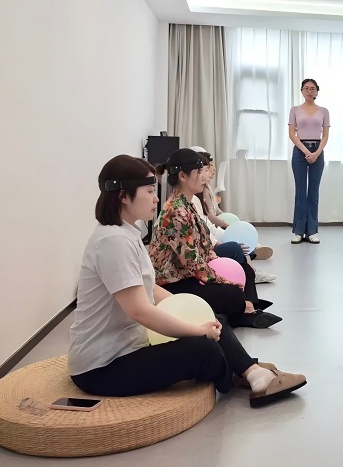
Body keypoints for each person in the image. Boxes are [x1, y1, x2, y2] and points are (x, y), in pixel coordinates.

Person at [68, 154, 306, 407]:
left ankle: (250, 371)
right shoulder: (113, 242)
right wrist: (196, 329)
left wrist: (192, 311)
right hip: (102, 367)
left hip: (128, 348)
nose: (156, 198)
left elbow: (149, 288)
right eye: (150, 191)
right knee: (203, 348)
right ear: (123, 196)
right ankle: (247, 372)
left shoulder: (127, 233)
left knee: (209, 316)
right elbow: (140, 310)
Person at [149, 148, 281, 329]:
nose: (204, 177)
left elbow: (205, 248)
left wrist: (223, 273)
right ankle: (244, 310)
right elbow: (193, 263)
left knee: (245, 271)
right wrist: (224, 281)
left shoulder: (187, 205)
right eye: (199, 172)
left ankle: (243, 311)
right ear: (183, 176)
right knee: (232, 293)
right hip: (174, 283)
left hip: (188, 274)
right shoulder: (175, 212)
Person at [191, 150, 277, 283]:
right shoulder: (192, 200)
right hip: (207, 245)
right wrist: (224, 230)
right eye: (205, 170)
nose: (207, 175)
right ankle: (252, 269)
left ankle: (252, 262)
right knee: (236, 245)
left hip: (212, 238)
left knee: (239, 243)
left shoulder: (202, 193)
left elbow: (207, 223)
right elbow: (206, 225)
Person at [288, 78, 330, 244]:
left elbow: (325, 136)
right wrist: (306, 151)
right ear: (302, 91)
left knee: (313, 193)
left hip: (318, 150)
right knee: (300, 193)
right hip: (300, 151)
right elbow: (292, 134)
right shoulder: (295, 110)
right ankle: (299, 231)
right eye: (306, 88)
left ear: (317, 91)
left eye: (312, 88)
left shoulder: (324, 111)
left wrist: (317, 153)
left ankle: (312, 231)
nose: (309, 91)